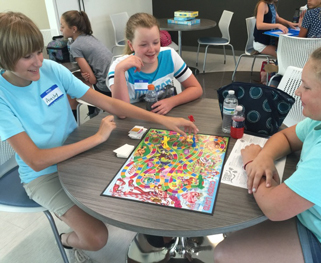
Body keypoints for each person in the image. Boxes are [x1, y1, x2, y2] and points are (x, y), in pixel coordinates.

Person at [0, 11, 198, 261]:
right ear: (5, 58)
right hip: (43, 175)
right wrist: (96, 138)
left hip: (77, 156)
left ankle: (161, 237)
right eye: (27, 57)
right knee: (96, 238)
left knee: (146, 182)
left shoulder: (51, 69)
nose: (38, 61)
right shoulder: (2, 95)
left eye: (39, 51)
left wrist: (164, 120)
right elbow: (36, 160)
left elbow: (109, 103)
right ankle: (65, 241)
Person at [214, 40, 321, 263]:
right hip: (313, 216)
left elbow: (274, 207)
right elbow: (286, 136)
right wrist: (265, 156)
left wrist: (250, 162)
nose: (297, 91)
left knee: (223, 253)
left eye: (306, 87)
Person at [107, 13, 203, 118]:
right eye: (144, 45)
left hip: (166, 118)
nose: (152, 50)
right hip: (134, 121)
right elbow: (121, 114)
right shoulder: (119, 67)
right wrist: (120, 70)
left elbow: (196, 89)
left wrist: (172, 101)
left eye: (156, 42)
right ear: (131, 45)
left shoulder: (169, 55)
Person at [60, 10, 113, 119]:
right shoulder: (90, 38)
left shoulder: (76, 46)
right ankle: (93, 113)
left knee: (69, 88)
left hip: (104, 87)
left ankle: (79, 121)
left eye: (62, 26)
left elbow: (92, 80)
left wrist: (85, 75)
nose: (60, 29)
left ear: (73, 29)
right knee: (79, 79)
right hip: (113, 81)